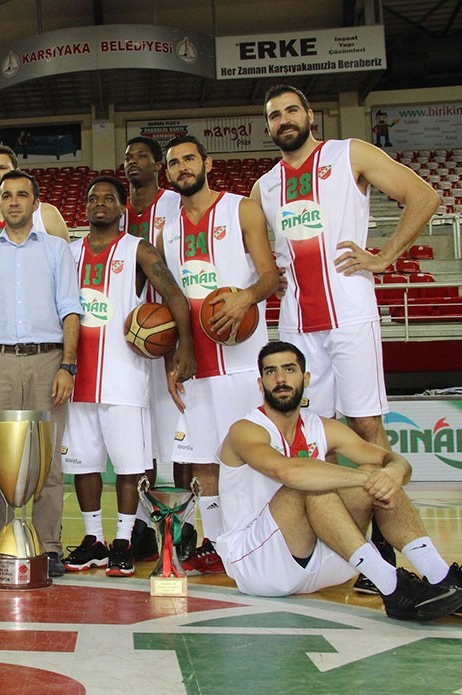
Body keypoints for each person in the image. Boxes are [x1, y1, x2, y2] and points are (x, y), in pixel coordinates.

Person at [252, 85, 441, 593]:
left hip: (350, 316)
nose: (284, 119)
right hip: (297, 324)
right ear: (268, 127)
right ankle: (346, 549)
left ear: (310, 116)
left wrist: (385, 257)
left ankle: (384, 545)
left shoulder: (349, 153)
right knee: (317, 436)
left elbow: (424, 197)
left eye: (291, 110)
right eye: (275, 115)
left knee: (366, 427)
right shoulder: (264, 187)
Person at [214, 341, 462, 621]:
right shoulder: (245, 430)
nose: (280, 378)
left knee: (378, 471)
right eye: (271, 372)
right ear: (261, 383)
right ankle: (393, 587)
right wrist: (368, 478)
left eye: (289, 369)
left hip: (327, 558)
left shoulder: (322, 426)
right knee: (308, 486)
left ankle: (442, 578)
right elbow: (287, 472)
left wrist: (392, 472)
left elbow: (394, 461)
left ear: (306, 378)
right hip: (259, 565)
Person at [60, 176, 194, 576]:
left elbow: (174, 295)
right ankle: (93, 541)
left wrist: (183, 345)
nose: (100, 203)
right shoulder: (68, 253)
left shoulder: (138, 249)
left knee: (129, 466)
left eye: (109, 198)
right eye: (92, 198)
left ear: (122, 208)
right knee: (83, 464)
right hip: (76, 378)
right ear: (85, 208)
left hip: (123, 377)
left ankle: (122, 541)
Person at [158, 135, 279, 576]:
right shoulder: (166, 230)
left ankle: (263, 539)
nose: (182, 167)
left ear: (207, 163)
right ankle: (217, 543)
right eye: (174, 163)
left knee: (250, 454)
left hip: (242, 360)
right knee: (204, 460)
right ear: (168, 173)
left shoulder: (241, 209)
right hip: (195, 364)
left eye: (189, 159)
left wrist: (246, 297)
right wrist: (173, 358)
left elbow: (270, 276)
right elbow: (171, 302)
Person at [0, 169, 82, 577]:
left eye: (21, 195)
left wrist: (67, 365)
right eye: (6, 195)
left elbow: (70, 310)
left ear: (35, 202)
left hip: (48, 360)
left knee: (48, 460)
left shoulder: (56, 250)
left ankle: (49, 546)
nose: (13, 201)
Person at [0, 145, 70, 444]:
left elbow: (67, 293)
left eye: (2, 168)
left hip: (46, 353)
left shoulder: (48, 217)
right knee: (2, 454)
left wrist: (67, 363)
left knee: (45, 452)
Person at [122, 136, 190, 559]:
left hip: (168, 333)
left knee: (181, 440)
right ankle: (145, 526)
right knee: (140, 444)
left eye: (142, 156)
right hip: (128, 340)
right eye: (127, 157)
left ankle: (183, 525)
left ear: (157, 165)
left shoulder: (174, 203)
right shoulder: (116, 211)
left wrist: (182, 338)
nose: (133, 163)